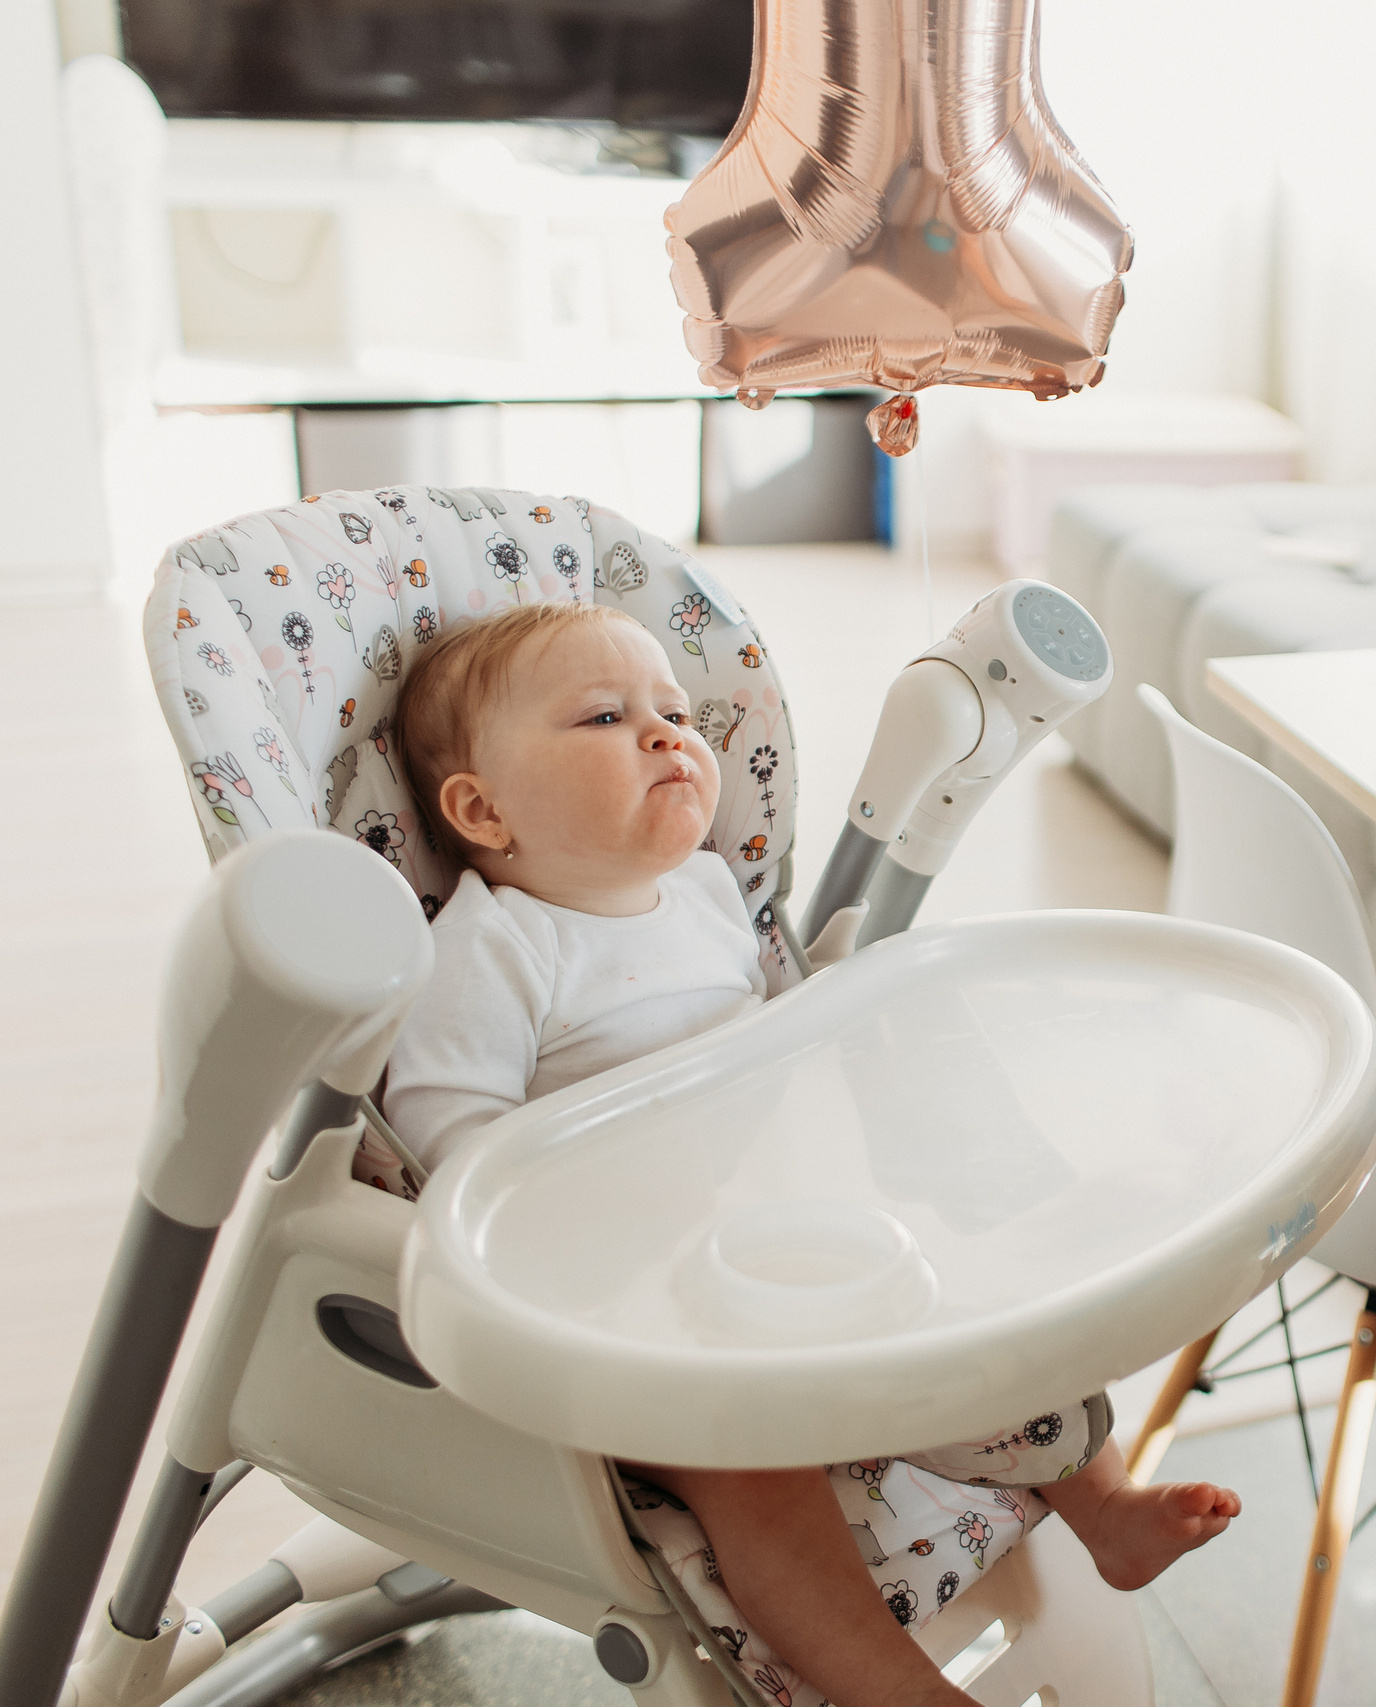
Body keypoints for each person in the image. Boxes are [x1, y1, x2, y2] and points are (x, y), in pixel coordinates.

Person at [381, 599, 1240, 1707]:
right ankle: (899, 1690)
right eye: (604, 717)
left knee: (991, 1311)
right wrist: (586, 1205)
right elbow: (454, 1154)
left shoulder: (706, 893)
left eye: (674, 711)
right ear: (481, 809)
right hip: (642, 1315)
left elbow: (787, 1050)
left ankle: (1107, 1509)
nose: (664, 734)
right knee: (754, 1478)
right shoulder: (495, 946)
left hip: (798, 1236)